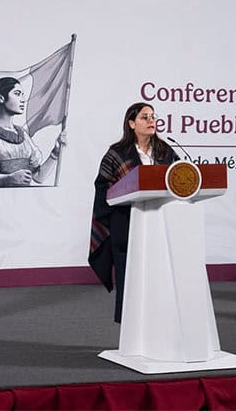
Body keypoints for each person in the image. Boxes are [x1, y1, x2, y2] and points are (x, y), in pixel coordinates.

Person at [88, 102, 178, 323]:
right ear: (131, 123)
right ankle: (130, 327)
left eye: (153, 117)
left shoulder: (165, 150)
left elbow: (179, 177)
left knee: (159, 276)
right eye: (145, 117)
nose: (151, 121)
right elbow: (103, 186)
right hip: (126, 223)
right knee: (130, 277)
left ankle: (161, 323)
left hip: (159, 221)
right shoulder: (117, 154)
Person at [0, 77, 66, 187]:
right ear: (1, 98)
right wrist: (8, 179)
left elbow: (38, 177)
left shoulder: (22, 134)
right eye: (17, 94)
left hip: (24, 200)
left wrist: (55, 153)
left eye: (22, 94)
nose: (23, 99)